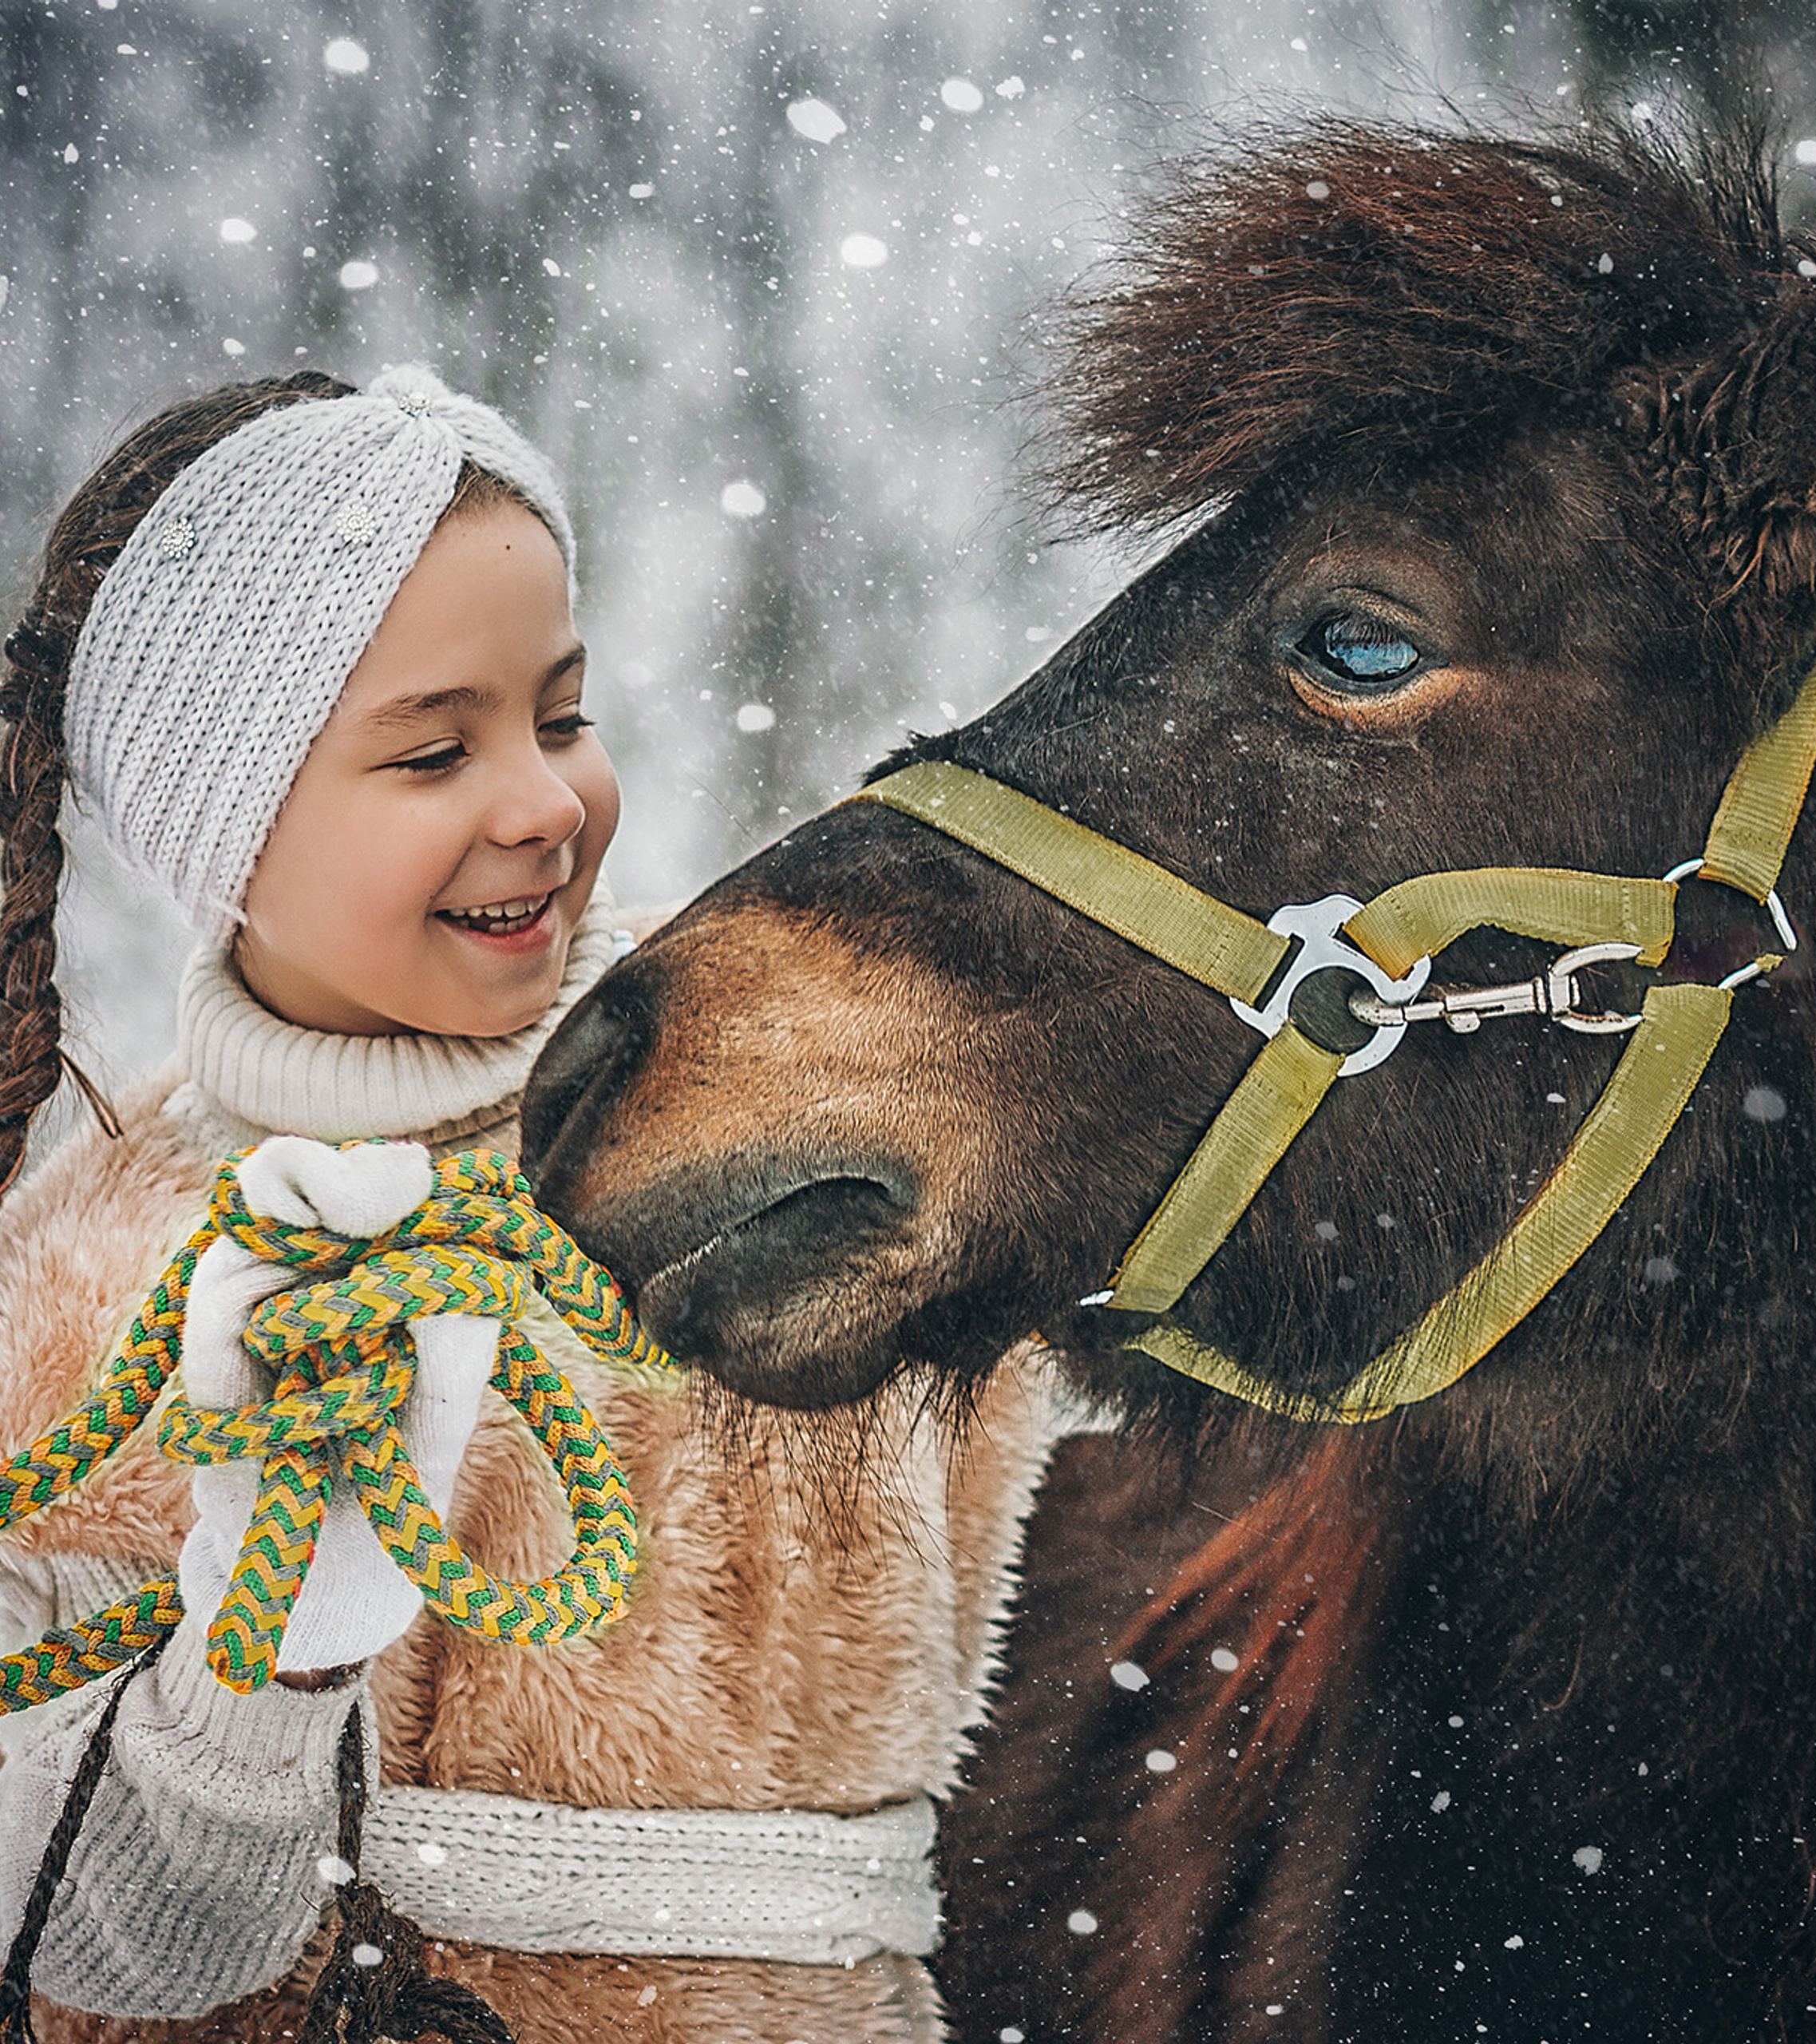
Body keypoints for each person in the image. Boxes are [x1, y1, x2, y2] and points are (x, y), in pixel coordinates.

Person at [0, 370, 1065, 2042]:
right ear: (219, 830)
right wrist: (265, 1646)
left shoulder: (799, 1107)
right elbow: (116, 1948)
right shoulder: (71, 1312)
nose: (545, 801)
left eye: (559, 717)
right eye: (436, 748)